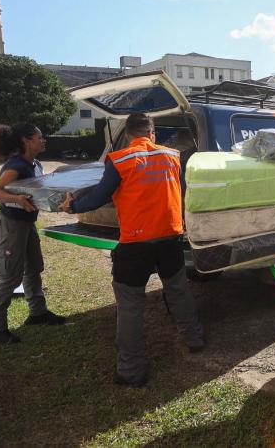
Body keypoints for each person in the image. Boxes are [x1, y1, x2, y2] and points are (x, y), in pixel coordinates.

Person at [60, 112, 203, 387]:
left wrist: (72, 206)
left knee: (130, 305)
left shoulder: (120, 159)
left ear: (128, 135)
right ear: (153, 133)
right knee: (178, 291)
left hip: (135, 243)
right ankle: (194, 338)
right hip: (169, 238)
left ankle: (131, 370)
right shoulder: (173, 156)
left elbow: (100, 197)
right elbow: (181, 191)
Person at [0, 123, 66, 344]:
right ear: (26, 141)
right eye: (40, 137)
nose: (44, 140)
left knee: (33, 268)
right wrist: (17, 199)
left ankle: (38, 313)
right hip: (10, 226)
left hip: (26, 224)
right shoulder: (16, 166)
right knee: (10, 277)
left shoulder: (35, 164)